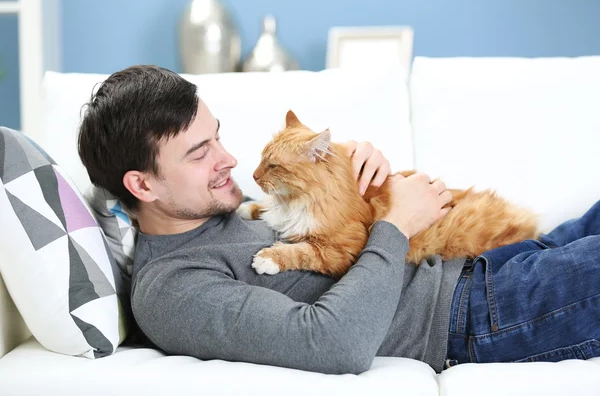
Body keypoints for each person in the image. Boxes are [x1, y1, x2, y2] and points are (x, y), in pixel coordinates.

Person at [77, 65, 600, 375]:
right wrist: (396, 224)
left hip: (474, 264)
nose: (230, 159)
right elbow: (332, 342)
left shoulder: (209, 208)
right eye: (200, 153)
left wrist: (353, 170)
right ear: (141, 185)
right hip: (474, 320)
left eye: (219, 136)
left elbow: (323, 213)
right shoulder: (172, 288)